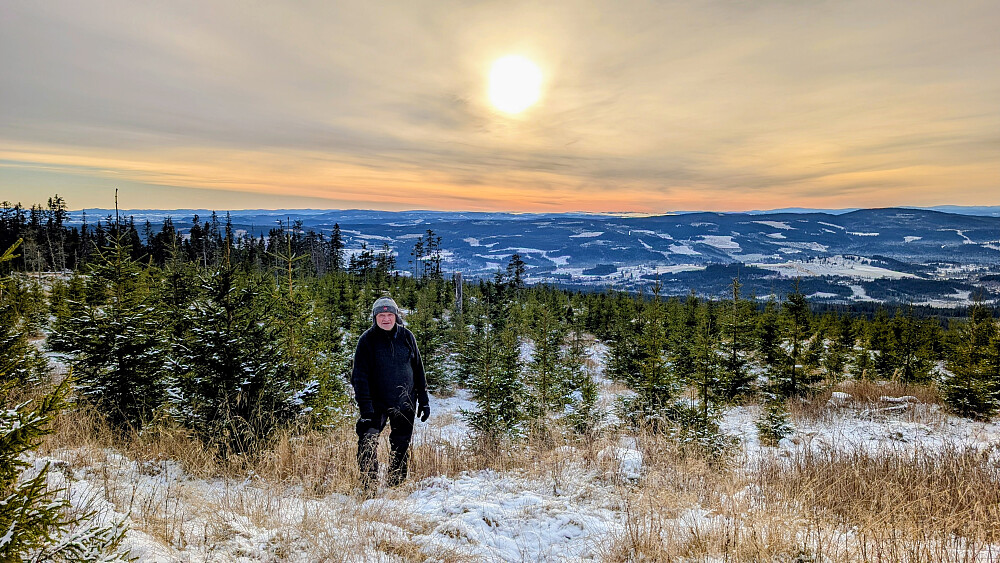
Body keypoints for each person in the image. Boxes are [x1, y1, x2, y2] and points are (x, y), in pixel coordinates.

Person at [351, 296, 430, 490]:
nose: (386, 319)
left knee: (401, 445)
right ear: (375, 317)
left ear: (396, 316)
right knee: (367, 441)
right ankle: (369, 486)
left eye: (389, 314)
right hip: (376, 405)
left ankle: (396, 484)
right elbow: (359, 378)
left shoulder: (407, 337)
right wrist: (366, 410)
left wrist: (424, 400)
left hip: (405, 402)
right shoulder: (367, 340)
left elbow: (418, 369)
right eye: (381, 315)